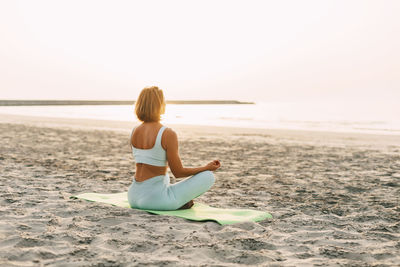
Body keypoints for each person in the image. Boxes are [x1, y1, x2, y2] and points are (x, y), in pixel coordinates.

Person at [128, 86, 221, 210]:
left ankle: (177, 200)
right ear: (161, 105)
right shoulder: (167, 133)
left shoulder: (134, 131)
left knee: (164, 181)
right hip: (154, 199)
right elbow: (178, 172)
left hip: (133, 197)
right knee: (208, 176)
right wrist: (206, 167)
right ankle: (178, 202)